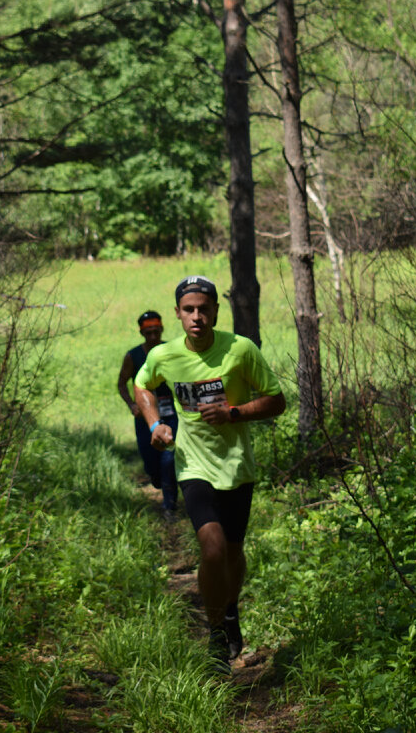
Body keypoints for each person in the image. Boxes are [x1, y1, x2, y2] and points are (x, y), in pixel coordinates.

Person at [133, 276, 286, 672]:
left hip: (236, 466)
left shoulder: (240, 349)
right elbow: (142, 387)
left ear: (216, 311)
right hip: (193, 465)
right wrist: (155, 425)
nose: (197, 316)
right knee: (213, 548)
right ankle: (216, 633)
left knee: (233, 553)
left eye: (204, 309)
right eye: (189, 310)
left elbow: (276, 400)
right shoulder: (165, 355)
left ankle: (230, 610)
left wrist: (234, 413)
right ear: (178, 314)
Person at [117, 310, 179, 516]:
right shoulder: (133, 356)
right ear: (142, 333)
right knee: (151, 461)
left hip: (171, 414)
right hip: (144, 416)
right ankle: (157, 479)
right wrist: (132, 405)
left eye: (156, 331)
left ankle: (170, 505)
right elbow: (122, 384)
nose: (153, 336)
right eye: (148, 332)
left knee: (169, 459)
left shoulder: (172, 350)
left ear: (162, 329)